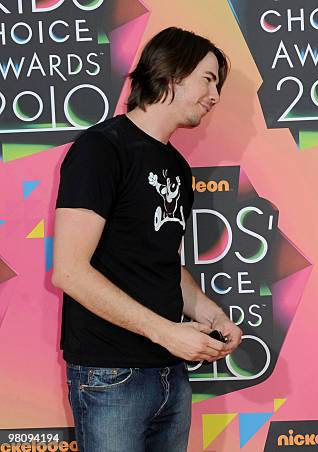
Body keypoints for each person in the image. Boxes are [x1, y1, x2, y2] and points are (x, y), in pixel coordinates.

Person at [51, 27, 242, 452]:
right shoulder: (101, 149)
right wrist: (166, 332)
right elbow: (68, 271)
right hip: (111, 375)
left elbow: (164, 264)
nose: (215, 95)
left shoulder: (176, 166)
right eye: (208, 79)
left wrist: (211, 313)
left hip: (170, 373)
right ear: (172, 73)